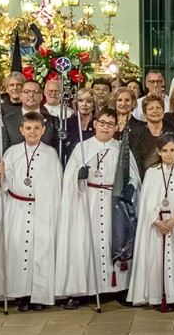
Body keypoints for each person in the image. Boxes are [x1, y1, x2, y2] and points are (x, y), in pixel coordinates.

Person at [56, 108, 140, 309]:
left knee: (115, 238)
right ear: (95, 124)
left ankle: (119, 287)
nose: (106, 127)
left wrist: (131, 186)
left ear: (116, 127)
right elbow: (68, 178)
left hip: (114, 201)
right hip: (89, 201)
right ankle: (82, 290)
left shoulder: (122, 149)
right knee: (86, 242)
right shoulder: (83, 148)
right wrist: (79, 175)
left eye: (110, 124)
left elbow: (134, 174)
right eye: (102, 123)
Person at [0, 113, 62, 312]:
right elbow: (2, 186)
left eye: (37, 128)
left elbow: (56, 186)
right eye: (28, 128)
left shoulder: (51, 154)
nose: (33, 132)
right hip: (17, 209)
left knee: (40, 252)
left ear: (43, 130)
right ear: (21, 130)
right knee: (18, 251)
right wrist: (0, 174)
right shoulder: (11, 152)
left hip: (41, 210)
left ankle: (39, 295)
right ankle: (20, 294)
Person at [128, 134, 174, 311]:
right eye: (164, 150)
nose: (168, 154)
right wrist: (157, 221)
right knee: (156, 259)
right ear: (158, 151)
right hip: (157, 225)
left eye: (172, 150)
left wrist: (173, 220)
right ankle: (158, 296)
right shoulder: (152, 173)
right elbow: (146, 201)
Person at [126, 96, 170, 176]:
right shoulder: (138, 133)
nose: (155, 111)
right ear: (145, 114)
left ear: (163, 111)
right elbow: (136, 161)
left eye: (158, 108)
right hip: (144, 176)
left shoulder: (171, 131)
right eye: (151, 109)